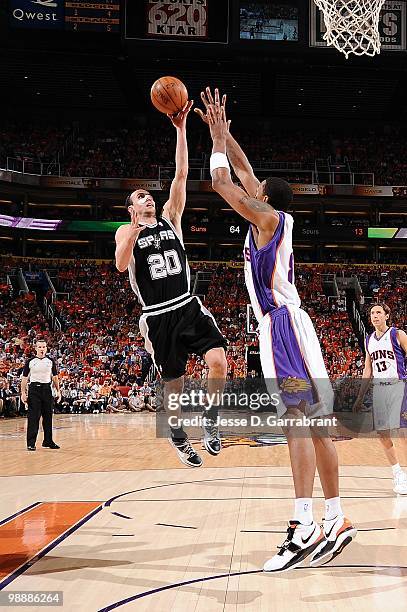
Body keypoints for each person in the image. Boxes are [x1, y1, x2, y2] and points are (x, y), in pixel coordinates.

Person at [196, 88, 356, 571]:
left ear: (265, 198)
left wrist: (216, 145)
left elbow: (225, 182)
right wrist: (222, 131)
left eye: (259, 187)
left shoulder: (267, 218)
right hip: (289, 325)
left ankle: (304, 522)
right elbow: (243, 173)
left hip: (283, 325)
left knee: (297, 423)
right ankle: (336, 516)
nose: (254, 186)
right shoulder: (270, 216)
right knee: (314, 423)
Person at [115, 100, 228, 468]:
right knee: (174, 386)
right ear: (131, 209)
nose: (148, 197)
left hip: (187, 304)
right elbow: (119, 266)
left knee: (219, 362)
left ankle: (210, 421)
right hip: (157, 316)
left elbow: (180, 175)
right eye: (140, 197)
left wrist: (180, 129)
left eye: (148, 195)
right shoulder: (125, 231)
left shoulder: (170, 217)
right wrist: (131, 233)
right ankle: (178, 436)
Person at [353, 303, 407, 494]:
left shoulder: (397, 334)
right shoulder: (369, 340)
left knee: (402, 431)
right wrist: (360, 397)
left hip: (399, 387)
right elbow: (368, 369)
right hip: (379, 391)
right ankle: (397, 473)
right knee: (383, 435)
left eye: (378, 312)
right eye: (372, 313)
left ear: (386, 315)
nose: (374, 315)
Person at [21, 338, 61, 451]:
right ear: (36, 348)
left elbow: (55, 377)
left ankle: (48, 441)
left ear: (46, 348)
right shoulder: (30, 361)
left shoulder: (50, 361)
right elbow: (24, 378)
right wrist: (23, 393)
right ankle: (31, 443)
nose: (42, 349)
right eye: (40, 347)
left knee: (48, 417)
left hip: (47, 389)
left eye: (44, 347)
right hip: (34, 390)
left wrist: (58, 391)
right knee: (33, 417)